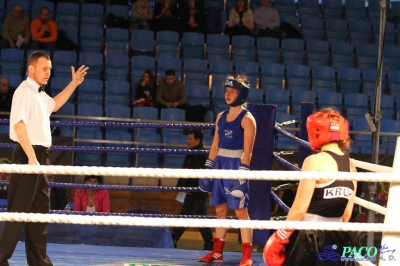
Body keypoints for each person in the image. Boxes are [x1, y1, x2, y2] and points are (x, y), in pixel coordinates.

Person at [0, 51, 88, 266]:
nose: (48, 72)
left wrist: (73, 84)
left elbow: (54, 105)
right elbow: (18, 125)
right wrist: (31, 158)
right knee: (18, 213)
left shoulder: (39, 93)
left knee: (39, 215)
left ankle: (40, 262)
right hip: (28, 155)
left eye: (50, 68)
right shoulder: (24, 91)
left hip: (39, 157)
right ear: (31, 69)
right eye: (44, 68)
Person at [263, 107, 357, 266]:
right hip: (338, 237)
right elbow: (346, 215)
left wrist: (281, 235)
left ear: (316, 130)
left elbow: (299, 209)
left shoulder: (314, 161)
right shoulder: (351, 166)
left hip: (308, 237)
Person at [198, 74, 256, 266]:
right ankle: (217, 252)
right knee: (220, 210)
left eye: (233, 91)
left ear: (242, 94)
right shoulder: (221, 116)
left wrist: (242, 174)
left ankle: (247, 256)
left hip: (236, 166)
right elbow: (215, 145)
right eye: (227, 91)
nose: (228, 94)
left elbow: (248, 151)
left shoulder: (247, 119)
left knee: (240, 212)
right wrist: (208, 167)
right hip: (220, 164)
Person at [171, 129, 214, 250]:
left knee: (184, 217)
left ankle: (171, 240)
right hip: (196, 191)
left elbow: (198, 175)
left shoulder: (200, 155)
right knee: (202, 220)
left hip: (195, 191)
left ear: (197, 140)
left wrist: (188, 188)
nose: (187, 141)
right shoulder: (193, 153)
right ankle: (211, 245)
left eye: (190, 139)